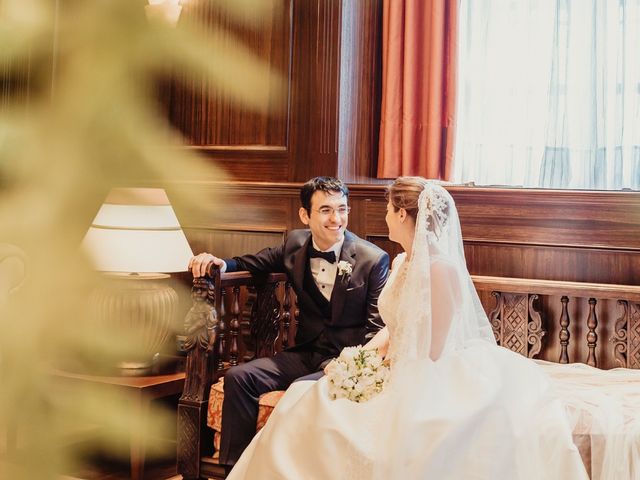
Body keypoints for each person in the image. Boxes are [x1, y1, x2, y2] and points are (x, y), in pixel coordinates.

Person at [226, 177, 590, 480]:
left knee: (321, 408)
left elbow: (433, 348)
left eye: (386, 209)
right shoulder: (403, 261)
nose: (382, 216)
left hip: (426, 373)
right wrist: (363, 359)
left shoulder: (439, 268)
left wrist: (377, 368)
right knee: (306, 401)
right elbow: (393, 325)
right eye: (327, 209)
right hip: (381, 359)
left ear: (402, 213)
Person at [188, 176, 390, 468]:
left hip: (344, 361)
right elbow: (252, 263)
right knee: (239, 378)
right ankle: (235, 469)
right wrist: (220, 263)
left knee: (301, 390)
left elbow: (377, 327)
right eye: (326, 210)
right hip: (305, 352)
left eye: (342, 209)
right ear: (305, 214)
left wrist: (349, 365)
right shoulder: (294, 244)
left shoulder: (373, 259)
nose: (337, 219)